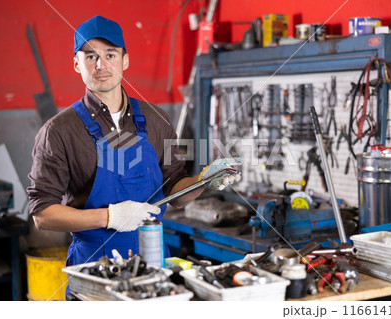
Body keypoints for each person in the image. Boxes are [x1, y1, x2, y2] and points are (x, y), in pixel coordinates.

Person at [27, 15, 241, 282]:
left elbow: (173, 191)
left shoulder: (156, 118)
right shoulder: (58, 131)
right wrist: (109, 217)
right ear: (76, 64)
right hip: (94, 268)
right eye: (90, 56)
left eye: (110, 55)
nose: (101, 65)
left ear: (125, 60)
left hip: (153, 262)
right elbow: (43, 215)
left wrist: (203, 180)